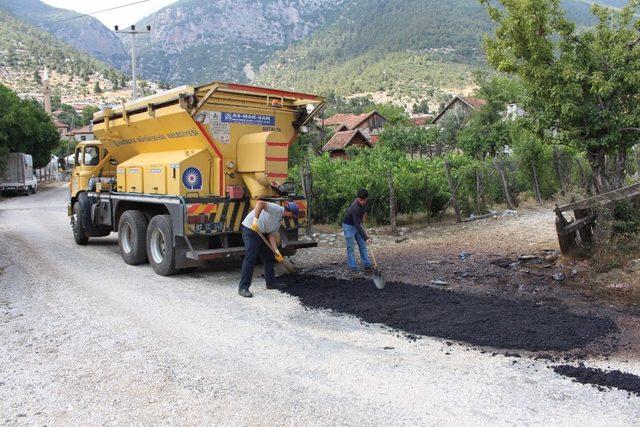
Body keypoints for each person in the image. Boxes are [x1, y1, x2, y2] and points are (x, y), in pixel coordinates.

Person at [238, 200, 299, 298]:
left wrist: (276, 251)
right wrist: (255, 220)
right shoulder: (276, 209)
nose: (293, 217)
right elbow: (260, 203)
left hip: (262, 232)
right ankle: (243, 288)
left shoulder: (279, 219)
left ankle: (270, 283)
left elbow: (271, 234)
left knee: (269, 256)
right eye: (294, 215)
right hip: (251, 229)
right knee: (251, 257)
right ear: (290, 212)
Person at [342, 188, 373, 277]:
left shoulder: (366, 201)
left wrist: (364, 216)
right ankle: (353, 268)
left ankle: (367, 265)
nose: (363, 202)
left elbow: (366, 210)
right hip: (349, 226)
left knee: (363, 245)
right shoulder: (355, 207)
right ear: (358, 198)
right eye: (361, 200)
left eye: (364, 200)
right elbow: (356, 224)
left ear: (366, 198)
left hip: (358, 223)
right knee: (351, 247)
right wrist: (366, 238)